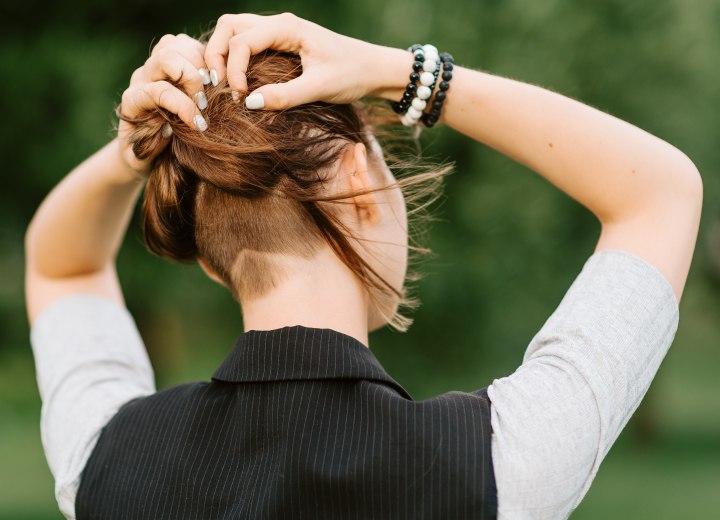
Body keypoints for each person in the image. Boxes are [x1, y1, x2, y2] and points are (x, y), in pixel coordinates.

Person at [25, 12, 702, 520]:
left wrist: (135, 147)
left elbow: (63, 267)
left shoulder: (108, 458)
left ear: (208, 260)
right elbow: (658, 194)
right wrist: (407, 74)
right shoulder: (498, 464)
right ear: (358, 182)